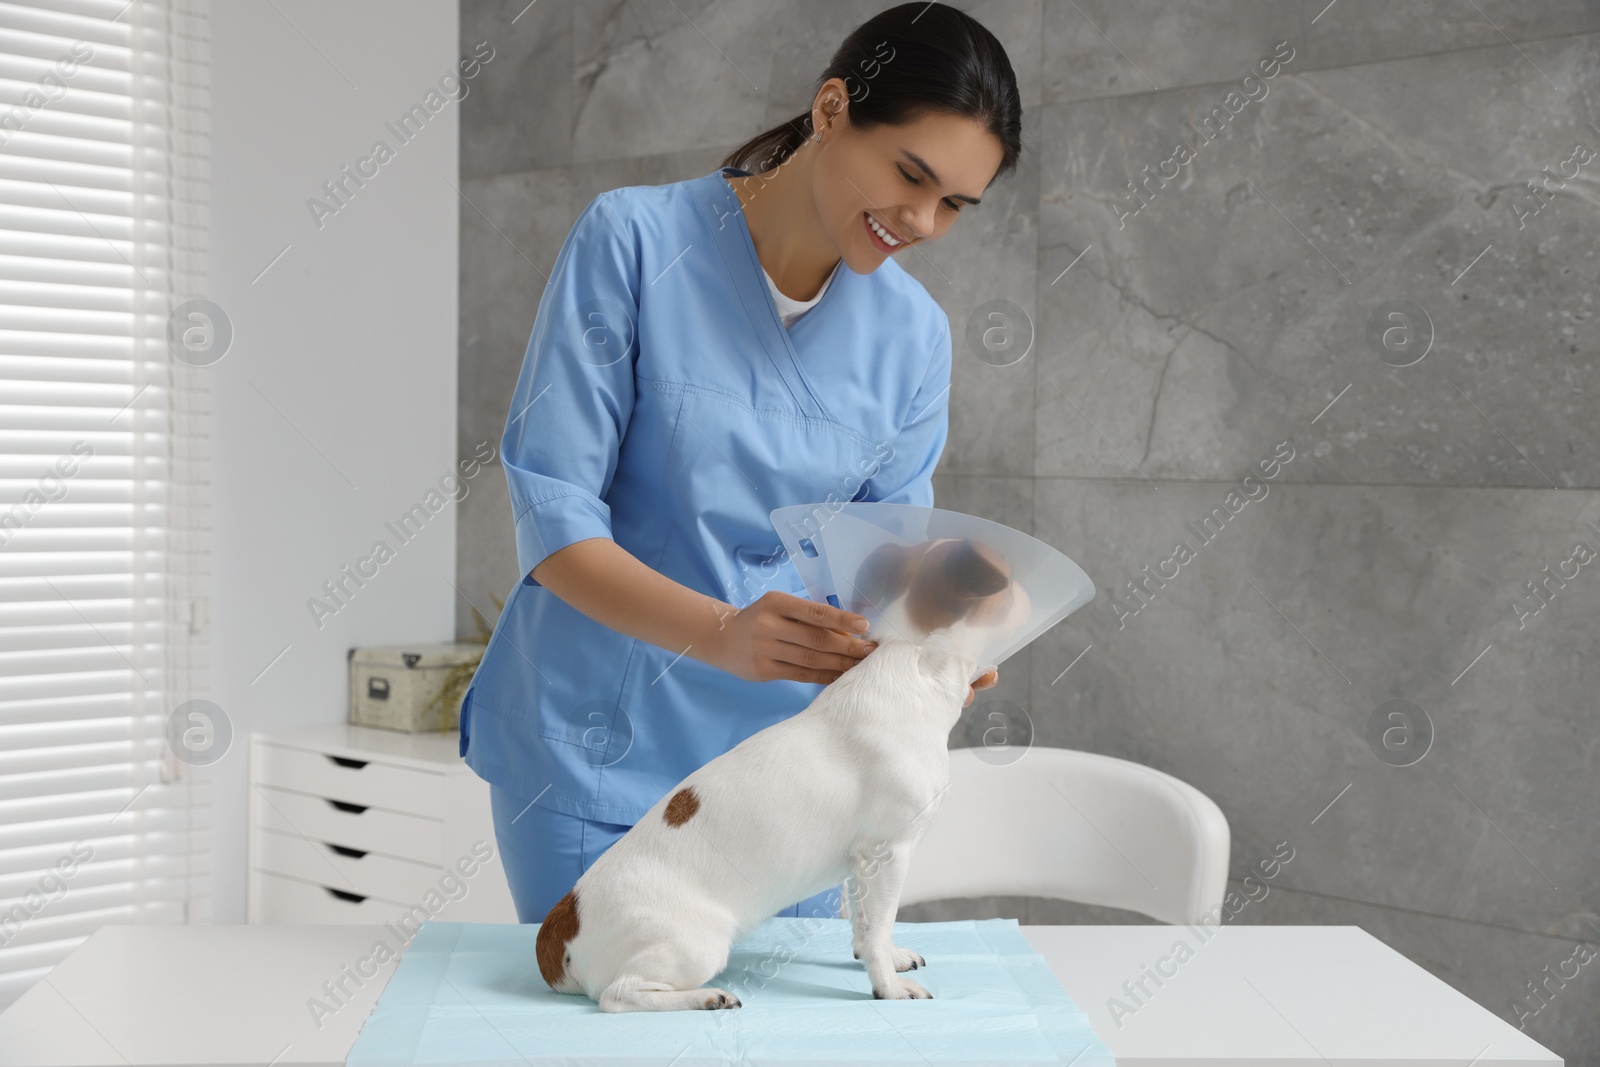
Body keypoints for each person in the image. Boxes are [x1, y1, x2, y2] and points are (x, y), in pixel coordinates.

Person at [460, 1, 1023, 927]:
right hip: (594, 756)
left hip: (792, 786)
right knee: (609, 1023)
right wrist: (722, 631)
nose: (921, 219)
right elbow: (555, 517)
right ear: (834, 109)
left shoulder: (915, 337)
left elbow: (884, 565)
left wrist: (937, 637)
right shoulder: (633, 244)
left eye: (955, 204)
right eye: (910, 174)